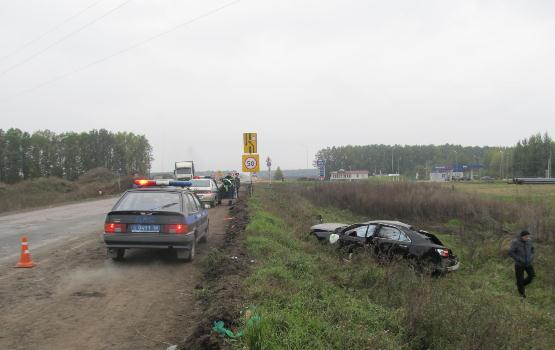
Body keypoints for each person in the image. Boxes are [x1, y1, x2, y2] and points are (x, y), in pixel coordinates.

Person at [508, 230, 536, 298]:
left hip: (528, 263)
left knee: (532, 276)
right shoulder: (515, 242)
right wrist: (518, 259)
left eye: (528, 236)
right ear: (522, 236)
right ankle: (522, 295)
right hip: (519, 265)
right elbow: (511, 252)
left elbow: (532, 249)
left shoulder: (529, 241)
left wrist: (531, 257)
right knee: (520, 279)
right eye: (526, 236)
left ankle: (520, 284)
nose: (527, 238)